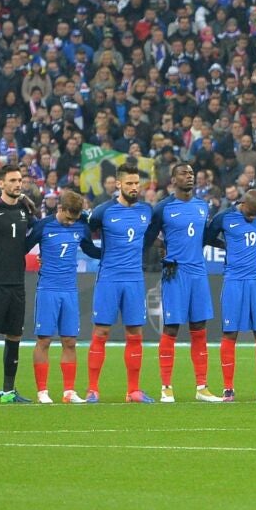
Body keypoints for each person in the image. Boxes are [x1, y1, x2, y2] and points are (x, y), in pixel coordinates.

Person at [85, 163, 161, 404]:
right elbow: (84, 235)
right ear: (118, 184)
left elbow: (149, 237)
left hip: (134, 279)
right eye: (129, 183)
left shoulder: (146, 211)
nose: (134, 187)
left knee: (135, 333)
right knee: (101, 331)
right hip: (109, 278)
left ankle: (133, 391)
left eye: (137, 183)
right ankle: (93, 389)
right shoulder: (102, 211)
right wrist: (100, 255)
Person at [157, 161, 221, 403]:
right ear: (173, 180)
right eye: (183, 173)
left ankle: (202, 387)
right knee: (171, 328)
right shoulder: (163, 208)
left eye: (192, 173)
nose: (189, 176)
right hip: (176, 273)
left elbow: (204, 237)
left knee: (199, 328)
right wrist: (164, 252)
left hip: (198, 272)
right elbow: (151, 235)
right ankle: (166, 387)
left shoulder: (202, 206)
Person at [27, 189, 98, 404]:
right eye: (68, 218)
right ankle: (42, 391)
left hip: (70, 290)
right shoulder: (44, 226)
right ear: (60, 208)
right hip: (48, 289)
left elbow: (92, 251)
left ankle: (69, 391)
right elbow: (23, 247)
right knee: (44, 340)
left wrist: (116, 252)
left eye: (74, 219)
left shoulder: (81, 226)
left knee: (70, 341)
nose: (70, 223)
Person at [0, 163, 42, 403]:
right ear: (1, 184)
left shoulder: (26, 210)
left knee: (15, 336)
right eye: (12, 181)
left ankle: (8, 392)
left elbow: (38, 233)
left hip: (17, 282)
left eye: (19, 181)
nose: (17, 184)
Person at [209, 190, 256, 401]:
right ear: (243, 203)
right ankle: (228, 388)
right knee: (230, 333)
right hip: (234, 281)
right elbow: (207, 237)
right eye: (250, 213)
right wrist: (225, 245)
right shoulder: (224, 217)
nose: (253, 217)